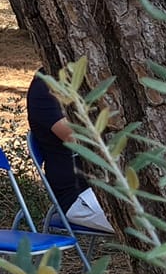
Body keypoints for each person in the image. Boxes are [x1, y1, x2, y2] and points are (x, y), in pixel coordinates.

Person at [28, 71, 114, 233]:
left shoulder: (91, 78)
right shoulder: (44, 87)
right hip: (80, 197)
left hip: (108, 187)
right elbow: (77, 139)